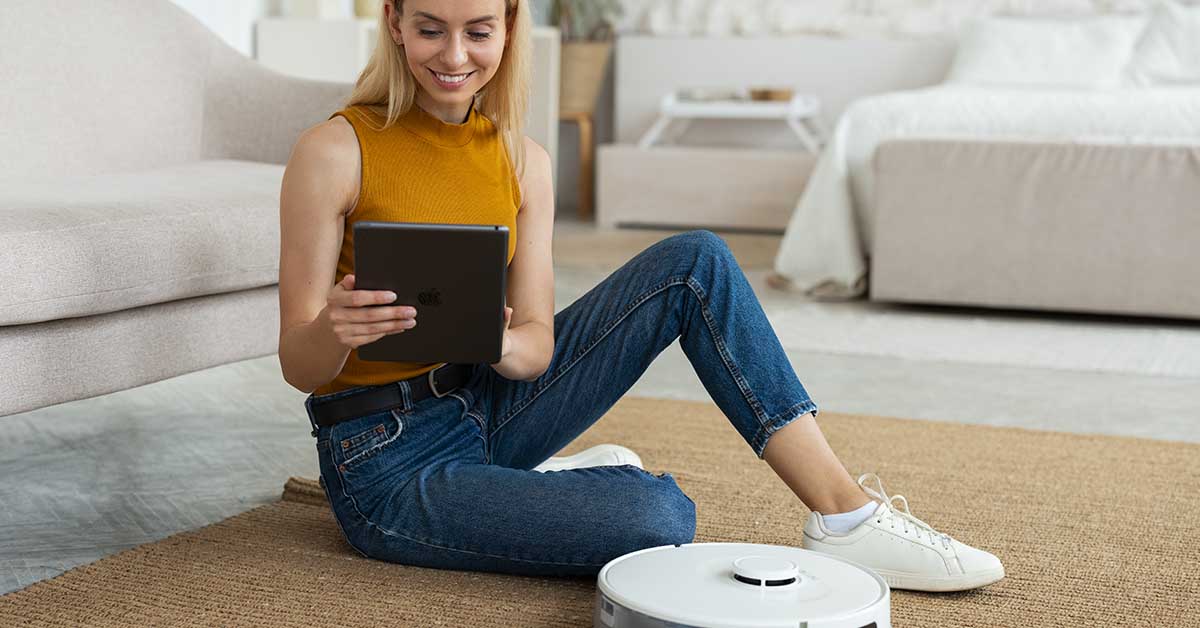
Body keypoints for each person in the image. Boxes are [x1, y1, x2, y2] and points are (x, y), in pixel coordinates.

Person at [276, 0, 1004, 592]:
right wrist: (337, 328)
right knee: (658, 516)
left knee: (697, 261)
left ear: (509, 27)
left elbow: (534, 350)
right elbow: (299, 366)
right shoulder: (334, 150)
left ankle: (847, 519)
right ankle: (537, 487)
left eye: (478, 31)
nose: (455, 55)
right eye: (430, 29)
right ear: (395, 23)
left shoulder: (521, 160)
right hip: (386, 459)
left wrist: (491, 337)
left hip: (487, 402)